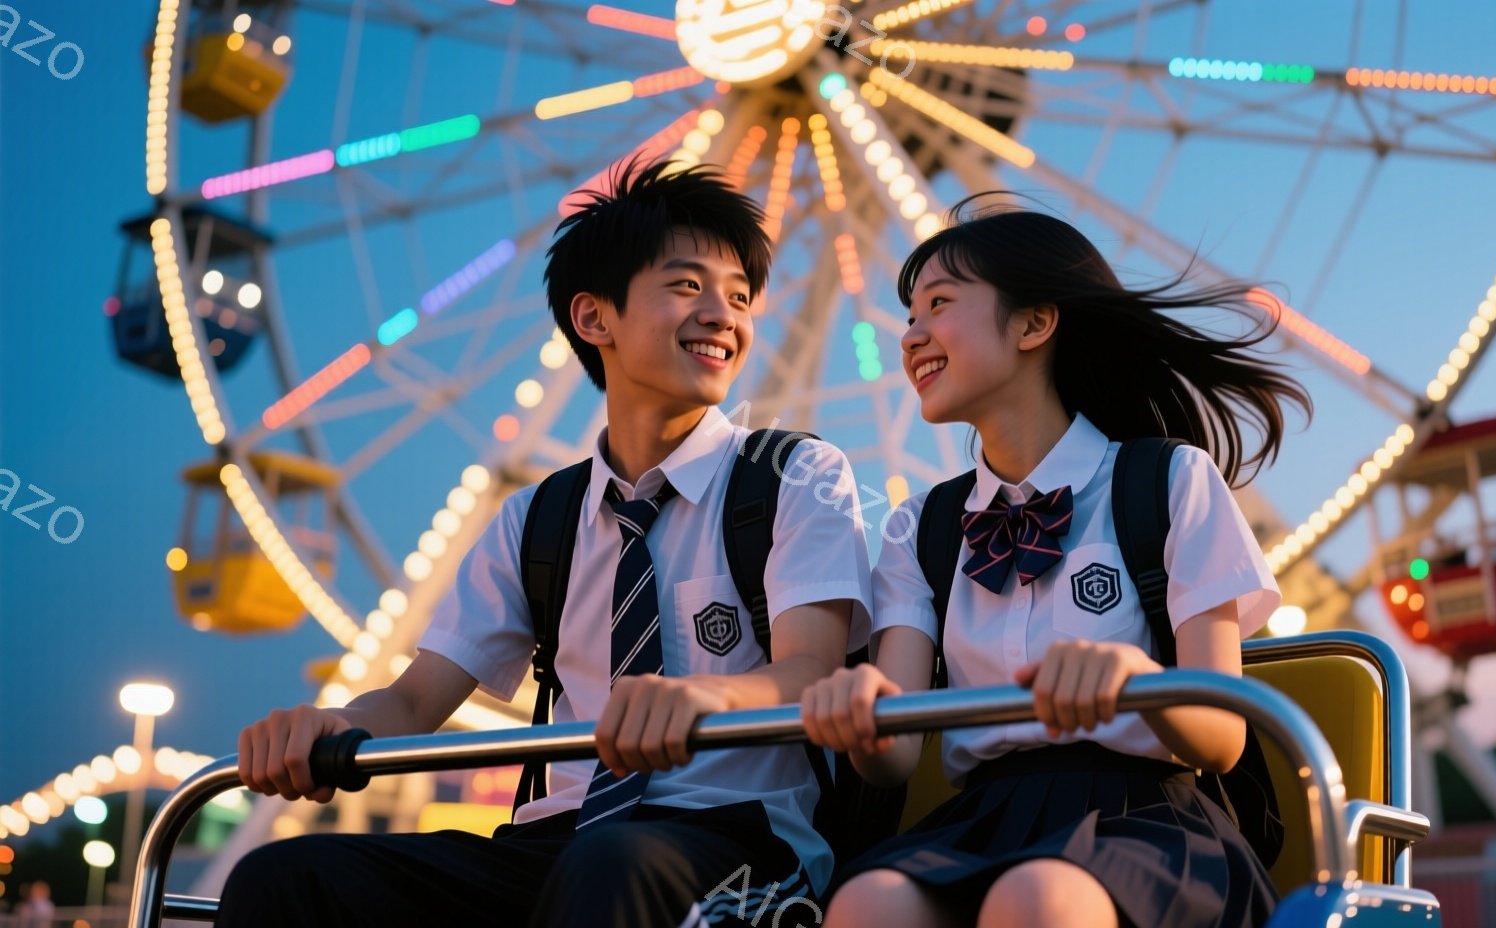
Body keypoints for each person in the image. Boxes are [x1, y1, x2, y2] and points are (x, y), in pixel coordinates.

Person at [219, 159, 874, 928]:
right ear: (595, 319)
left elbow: (809, 670)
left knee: (610, 869)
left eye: (738, 296)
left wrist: (702, 697)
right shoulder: (539, 517)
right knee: (286, 878)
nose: (723, 316)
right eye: (687, 286)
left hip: (742, 843)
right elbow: (415, 697)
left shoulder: (796, 474)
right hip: (561, 839)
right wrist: (328, 726)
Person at [800, 197, 1312, 928]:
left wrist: (1138, 683)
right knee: (866, 902)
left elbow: (1222, 737)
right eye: (909, 315)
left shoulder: (1167, 482)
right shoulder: (920, 527)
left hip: (1146, 817)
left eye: (938, 305)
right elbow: (897, 754)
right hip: (982, 815)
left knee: (1038, 899)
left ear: (1035, 323)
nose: (910, 337)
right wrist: (860, 718)